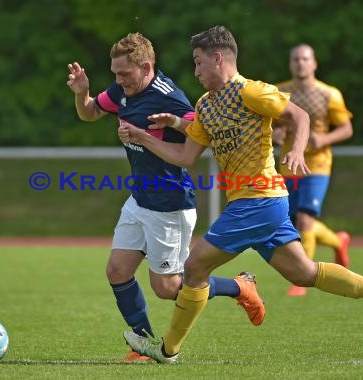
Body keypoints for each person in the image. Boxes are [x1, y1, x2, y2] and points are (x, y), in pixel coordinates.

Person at [120, 25, 363, 364]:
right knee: (303, 273)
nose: (196, 71)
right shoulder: (205, 106)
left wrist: (298, 151)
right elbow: (185, 157)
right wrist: (145, 137)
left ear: (218, 59)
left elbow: (299, 116)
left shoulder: (251, 91)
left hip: (258, 200)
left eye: (199, 63)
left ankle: (167, 349)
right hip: (258, 204)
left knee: (194, 267)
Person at [66, 32, 265, 362]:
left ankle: (240, 286)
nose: (118, 81)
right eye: (114, 74)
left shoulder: (168, 96)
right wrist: (82, 93)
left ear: (145, 67)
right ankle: (142, 345)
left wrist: (154, 132)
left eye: (124, 74)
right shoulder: (122, 91)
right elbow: (89, 113)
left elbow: (202, 133)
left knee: (168, 288)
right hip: (139, 199)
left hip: (170, 205)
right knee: (117, 270)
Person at [273, 44, 354, 297]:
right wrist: (274, 133)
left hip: (318, 166)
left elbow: (346, 128)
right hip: (289, 166)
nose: (300, 63)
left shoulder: (330, 94)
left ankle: (301, 278)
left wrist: (324, 139)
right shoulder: (280, 92)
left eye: (305, 59)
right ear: (290, 63)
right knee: (298, 223)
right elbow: (268, 125)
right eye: (296, 59)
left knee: (305, 219)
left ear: (314, 63)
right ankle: (338, 241)